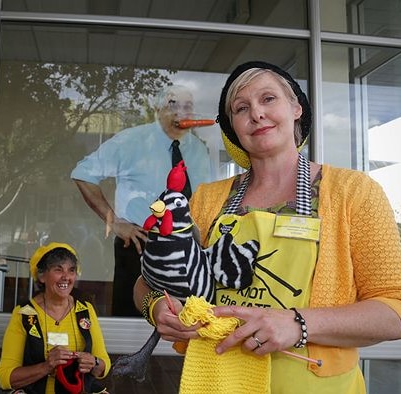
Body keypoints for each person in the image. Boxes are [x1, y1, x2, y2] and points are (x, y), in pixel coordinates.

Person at [134, 61, 401, 392]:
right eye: (241, 108)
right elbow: (147, 283)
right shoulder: (207, 199)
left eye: (268, 99)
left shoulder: (354, 192)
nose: (256, 114)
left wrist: (297, 324)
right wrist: (156, 306)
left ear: (296, 107)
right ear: (233, 126)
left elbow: (394, 309)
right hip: (218, 382)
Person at [71, 85, 213, 316]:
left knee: (187, 322)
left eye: (188, 106)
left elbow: (205, 198)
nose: (181, 111)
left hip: (188, 252)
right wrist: (114, 222)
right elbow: (83, 174)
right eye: (172, 104)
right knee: (132, 322)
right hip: (140, 244)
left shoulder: (198, 150)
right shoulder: (132, 141)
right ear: (157, 108)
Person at [0, 242, 111, 393]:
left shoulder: (85, 310)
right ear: (42, 276)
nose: (66, 277)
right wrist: (46, 366)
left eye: (71, 271)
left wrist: (94, 362)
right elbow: (6, 378)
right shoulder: (24, 314)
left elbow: (104, 366)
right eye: (58, 270)